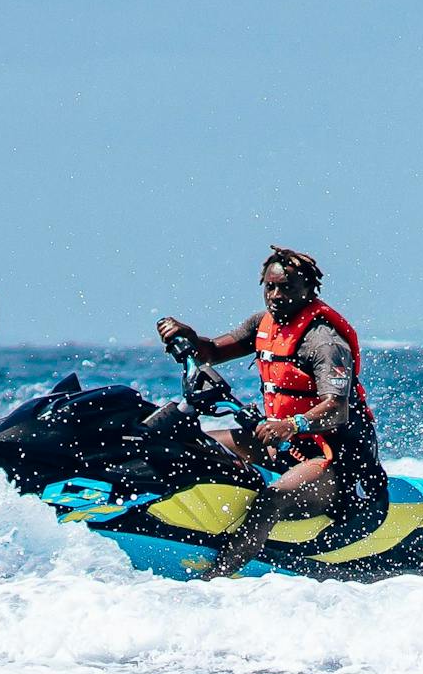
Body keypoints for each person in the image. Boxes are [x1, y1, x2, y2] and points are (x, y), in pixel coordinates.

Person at [156, 246, 386, 578]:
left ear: (308, 289)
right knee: (194, 444)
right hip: (286, 444)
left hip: (336, 461)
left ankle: (216, 578)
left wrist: (292, 424)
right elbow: (211, 352)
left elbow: (337, 409)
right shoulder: (262, 324)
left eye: (286, 288)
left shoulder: (324, 342)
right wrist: (190, 337)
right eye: (270, 287)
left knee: (271, 499)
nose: (276, 296)